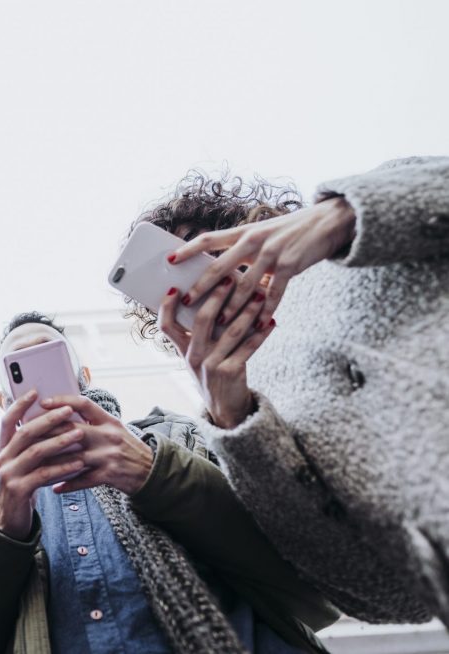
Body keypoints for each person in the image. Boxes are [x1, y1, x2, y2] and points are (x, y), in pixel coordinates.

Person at [122, 159, 449, 625]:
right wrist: (237, 422)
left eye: (200, 249)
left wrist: (345, 216)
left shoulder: (355, 232)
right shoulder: (247, 410)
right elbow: (387, 598)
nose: (200, 282)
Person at [0, 312, 337, 654]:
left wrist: (154, 472)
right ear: (3, 400)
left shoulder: (174, 436)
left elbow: (297, 571)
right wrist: (4, 526)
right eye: (19, 367)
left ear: (83, 376)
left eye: (49, 354)